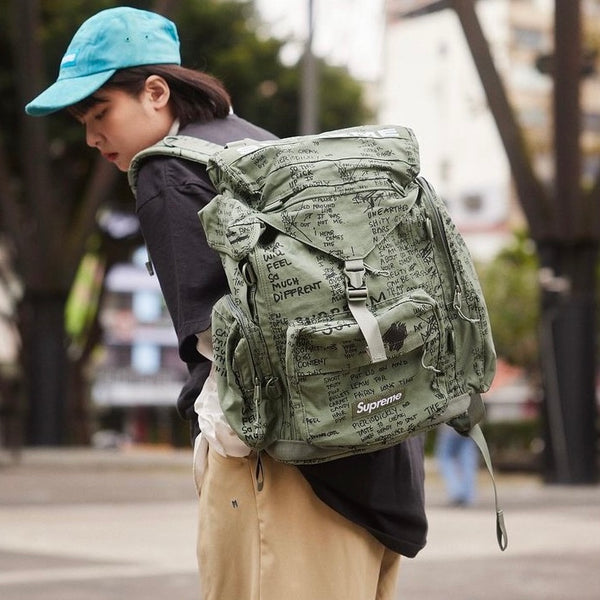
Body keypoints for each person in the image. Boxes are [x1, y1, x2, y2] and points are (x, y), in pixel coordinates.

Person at [25, 7, 427, 599]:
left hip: (284, 469)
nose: (91, 137)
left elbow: (221, 338)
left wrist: (222, 446)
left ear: (156, 91)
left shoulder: (167, 171)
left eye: (100, 112)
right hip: (375, 460)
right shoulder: (262, 146)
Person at [435, 424, 479, 507]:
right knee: (467, 460)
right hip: (470, 425)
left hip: (450, 427)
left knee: (445, 458)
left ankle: (456, 491)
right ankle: (468, 494)